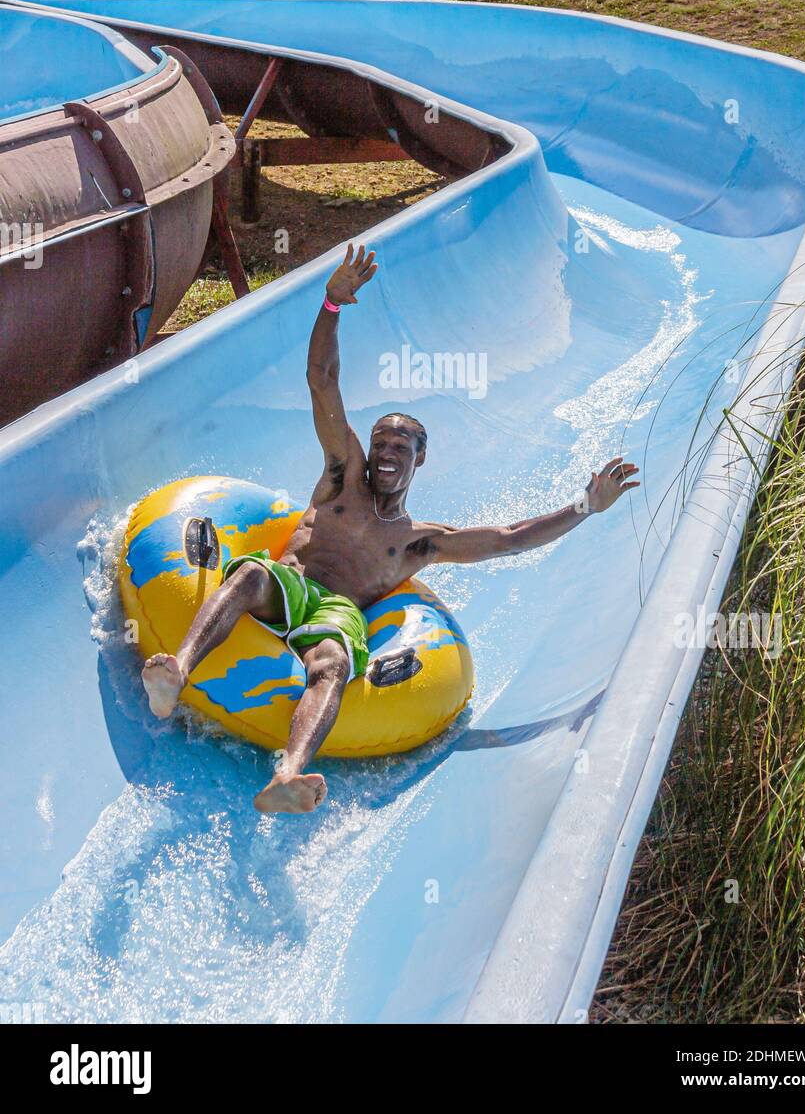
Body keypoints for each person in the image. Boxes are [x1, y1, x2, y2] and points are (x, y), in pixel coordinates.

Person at [142, 246, 640, 815]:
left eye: (399, 446)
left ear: (419, 460)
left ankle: (288, 774)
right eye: (379, 441)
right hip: (291, 584)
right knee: (253, 572)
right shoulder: (341, 477)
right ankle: (177, 671)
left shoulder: (417, 541)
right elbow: (321, 380)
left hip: (338, 612)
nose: (384, 452)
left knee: (331, 661)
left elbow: (510, 538)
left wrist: (584, 505)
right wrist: (332, 304)